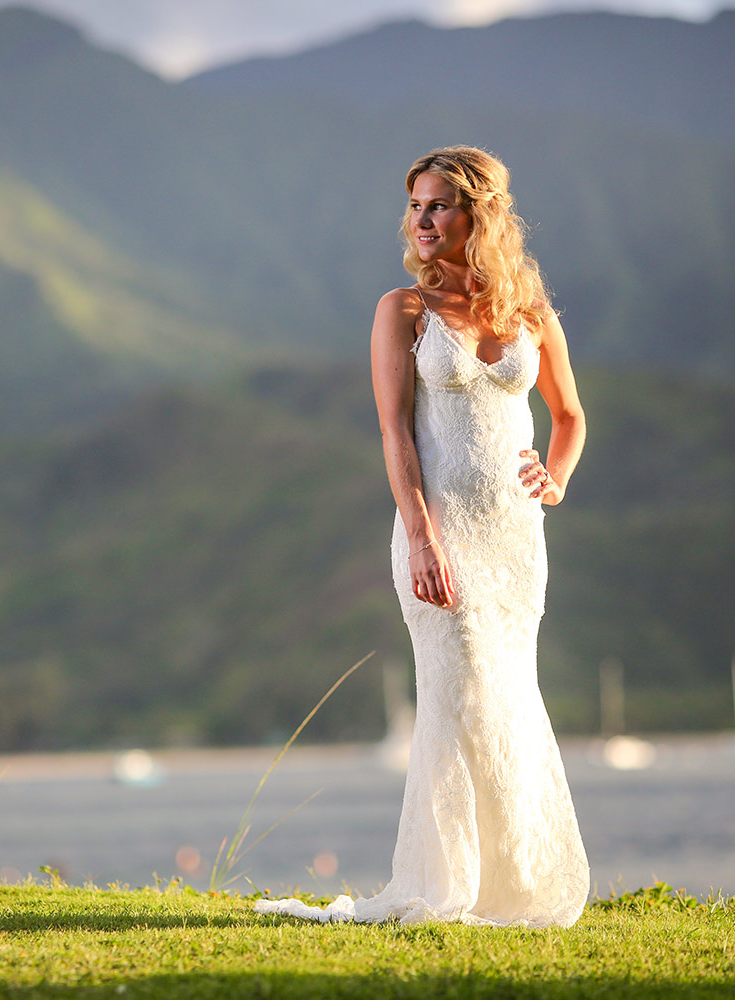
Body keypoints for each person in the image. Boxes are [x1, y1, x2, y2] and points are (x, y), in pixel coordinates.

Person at [255, 146, 590, 927]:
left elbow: (569, 416)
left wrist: (558, 477)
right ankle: (447, 887)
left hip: (515, 541)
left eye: (438, 204)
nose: (422, 220)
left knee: (504, 698)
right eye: (415, 206)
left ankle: (513, 890)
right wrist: (422, 537)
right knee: (462, 693)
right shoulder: (402, 310)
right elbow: (394, 433)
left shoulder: (530, 314)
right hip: (438, 535)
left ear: (480, 215)